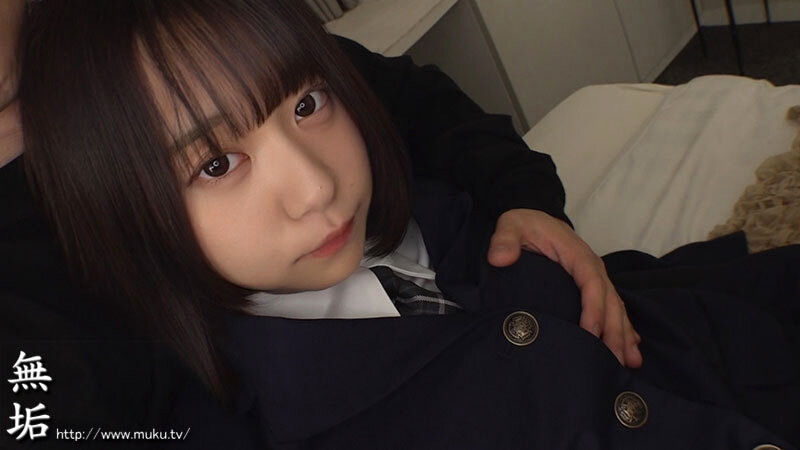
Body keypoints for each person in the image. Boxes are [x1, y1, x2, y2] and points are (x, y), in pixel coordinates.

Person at [11, 0, 800, 449]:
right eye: (217, 164)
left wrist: (525, 204)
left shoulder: (433, 213)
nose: (316, 186)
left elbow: (431, 109)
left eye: (308, 104)